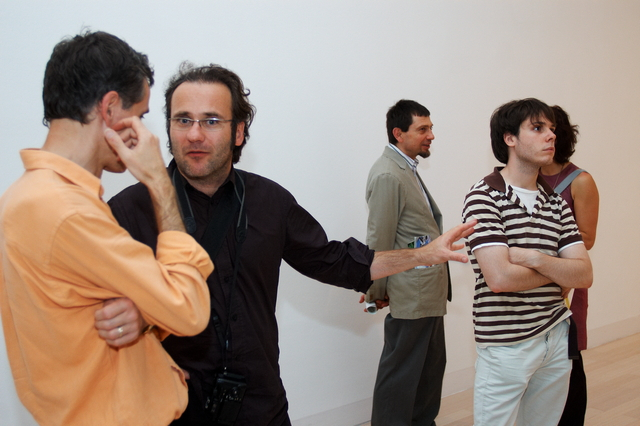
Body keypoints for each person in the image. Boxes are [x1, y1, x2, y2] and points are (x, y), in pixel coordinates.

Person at [105, 63, 475, 426]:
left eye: (211, 121)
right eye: (183, 120)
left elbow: (336, 260)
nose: (194, 134)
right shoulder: (127, 211)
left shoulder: (270, 202)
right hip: (170, 408)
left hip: (259, 402)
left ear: (238, 131)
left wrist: (423, 254)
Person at [0, 32, 213, 426]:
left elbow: (85, 314)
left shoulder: (24, 196)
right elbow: (189, 309)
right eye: (141, 116)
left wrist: (147, 325)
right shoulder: (67, 212)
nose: (146, 134)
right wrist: (159, 182)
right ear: (110, 107)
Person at [461, 98, 593, 426]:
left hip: (556, 336)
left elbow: (584, 274)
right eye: (537, 128)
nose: (551, 135)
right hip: (506, 346)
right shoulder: (483, 196)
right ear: (510, 138)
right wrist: (558, 269)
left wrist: (533, 258)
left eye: (551, 128)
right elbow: (500, 279)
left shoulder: (556, 203)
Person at [362, 99, 450, 426]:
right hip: (411, 293)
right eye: (423, 129)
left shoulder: (405, 168)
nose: (431, 135)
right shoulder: (388, 174)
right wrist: (376, 291)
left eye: (431, 128)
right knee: (400, 374)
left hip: (426, 291)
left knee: (429, 371)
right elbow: (379, 240)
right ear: (398, 133)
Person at [539, 105, 599, 426]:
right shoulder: (525, 178)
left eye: (546, 129)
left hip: (564, 283)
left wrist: (544, 259)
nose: (543, 136)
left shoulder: (580, 180)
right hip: (530, 284)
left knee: (568, 359)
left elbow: (586, 238)